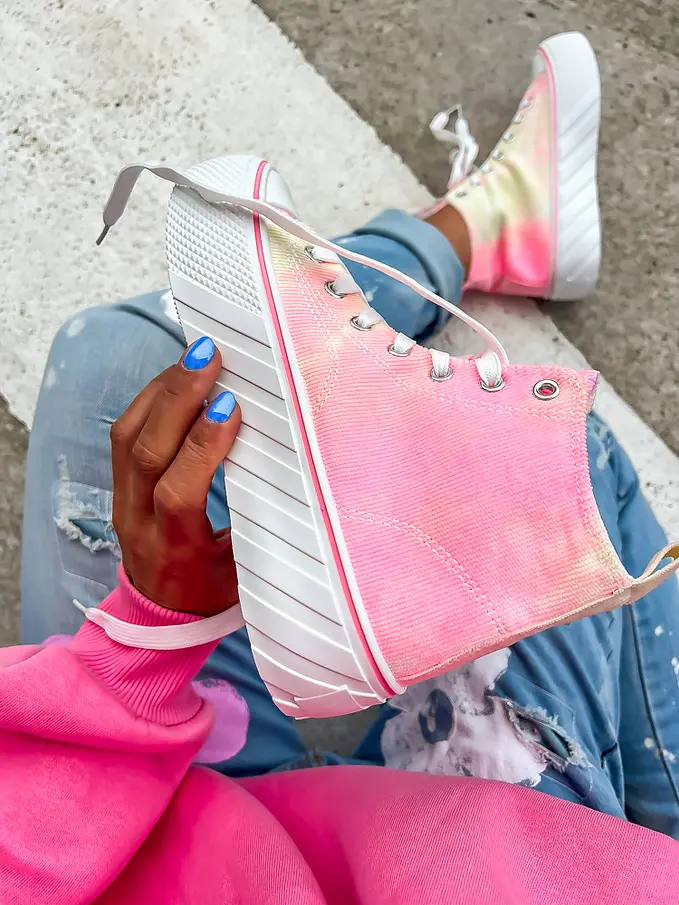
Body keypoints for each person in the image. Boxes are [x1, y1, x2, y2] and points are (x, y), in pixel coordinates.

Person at [3, 37, 679, 903]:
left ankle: (482, 231)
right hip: (485, 874)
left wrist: (146, 641)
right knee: (564, 463)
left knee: (118, 358)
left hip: (177, 838)